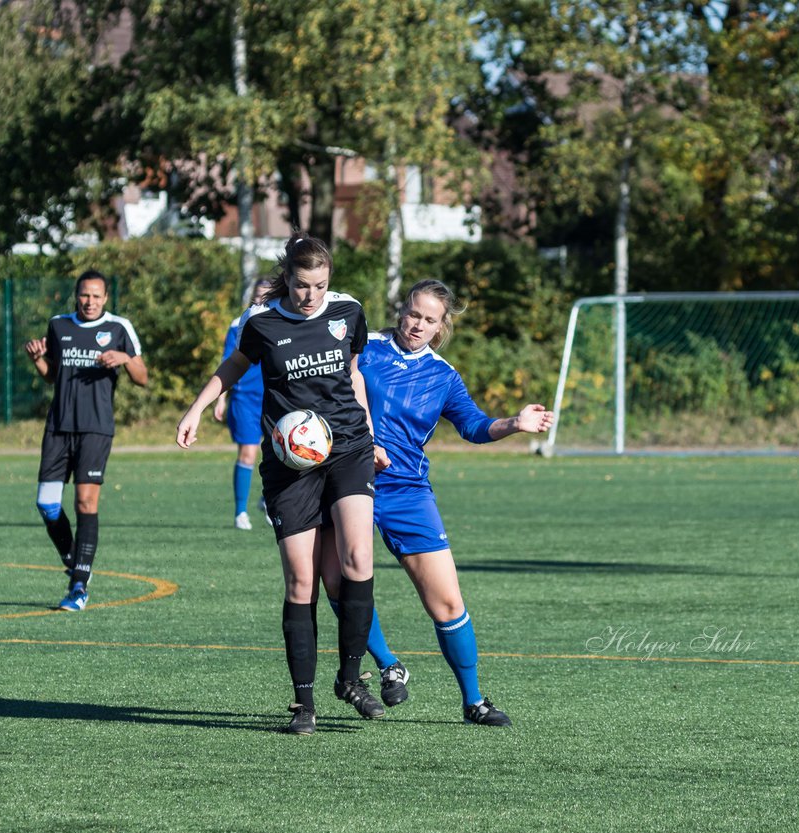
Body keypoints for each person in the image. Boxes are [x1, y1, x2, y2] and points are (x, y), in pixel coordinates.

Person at [176, 233, 382, 736]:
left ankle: (352, 679)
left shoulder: (349, 312)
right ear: (286, 278)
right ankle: (303, 703)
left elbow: (353, 375)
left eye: (320, 285)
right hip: (290, 463)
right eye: (302, 284)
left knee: (358, 558)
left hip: (348, 447)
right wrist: (196, 408)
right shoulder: (262, 323)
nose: (310, 295)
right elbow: (233, 366)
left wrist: (371, 435)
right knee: (301, 580)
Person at [324, 279, 554, 727]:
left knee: (447, 604)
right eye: (413, 313)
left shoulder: (443, 376)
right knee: (339, 585)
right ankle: (390, 663)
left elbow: (473, 425)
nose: (417, 324)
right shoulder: (362, 348)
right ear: (401, 310)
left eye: (429, 319)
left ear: (441, 326)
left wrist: (515, 422)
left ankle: (475, 702)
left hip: (407, 492)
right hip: (348, 482)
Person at [25, 270, 148, 611]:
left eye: (96, 296)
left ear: (105, 298)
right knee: (46, 503)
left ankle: (78, 587)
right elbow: (53, 375)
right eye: (84, 295)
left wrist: (125, 359)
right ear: (75, 296)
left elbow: (142, 377)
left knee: (84, 503)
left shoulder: (119, 328)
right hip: (58, 427)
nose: (90, 301)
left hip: (96, 428)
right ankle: (74, 557)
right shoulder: (58, 325)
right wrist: (37, 359)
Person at [212, 279, 275, 530]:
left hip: (274, 396)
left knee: (279, 454)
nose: (261, 301)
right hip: (245, 399)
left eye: (266, 297)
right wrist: (221, 398)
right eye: (257, 297)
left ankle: (268, 500)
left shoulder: (282, 324)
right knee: (248, 453)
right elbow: (229, 362)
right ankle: (240, 512)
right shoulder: (239, 325)